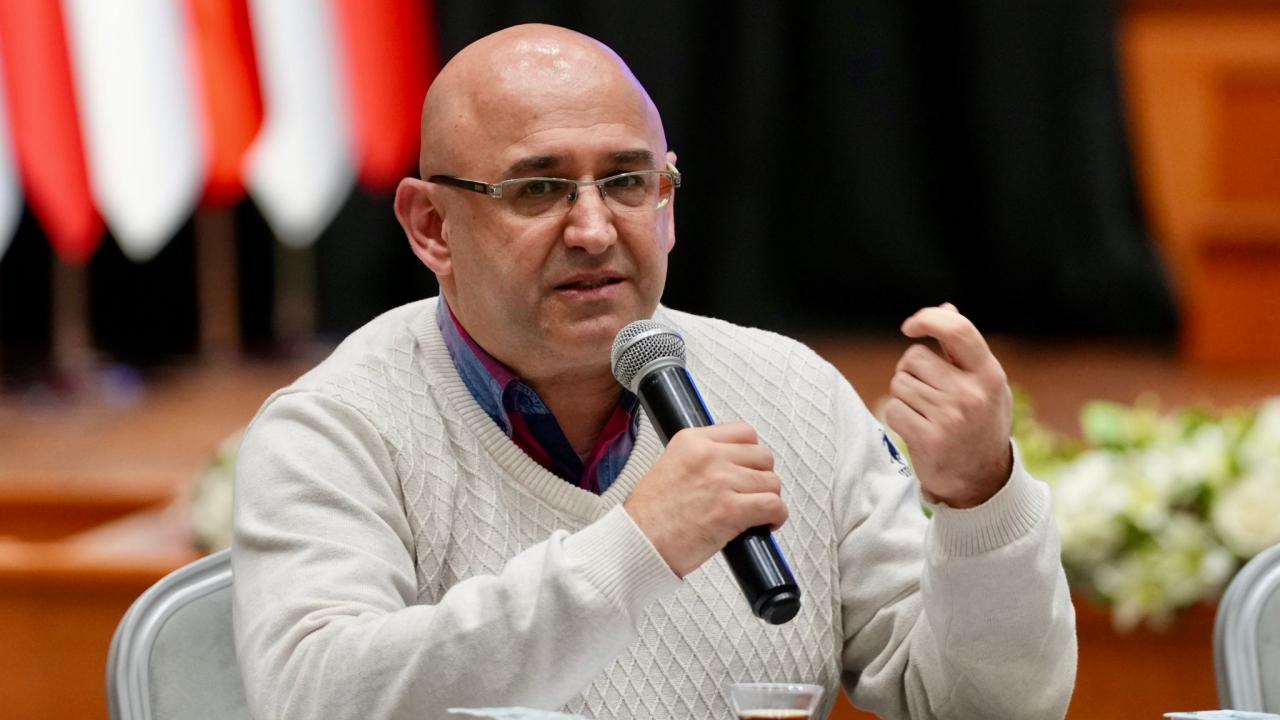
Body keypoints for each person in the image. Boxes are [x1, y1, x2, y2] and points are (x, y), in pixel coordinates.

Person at [232, 23, 1076, 720]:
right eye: (539, 189)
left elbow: (988, 709)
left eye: (628, 182)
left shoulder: (794, 395)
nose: (594, 229)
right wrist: (636, 549)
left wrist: (980, 499)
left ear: (667, 202)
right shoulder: (339, 426)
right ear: (431, 227)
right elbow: (315, 697)